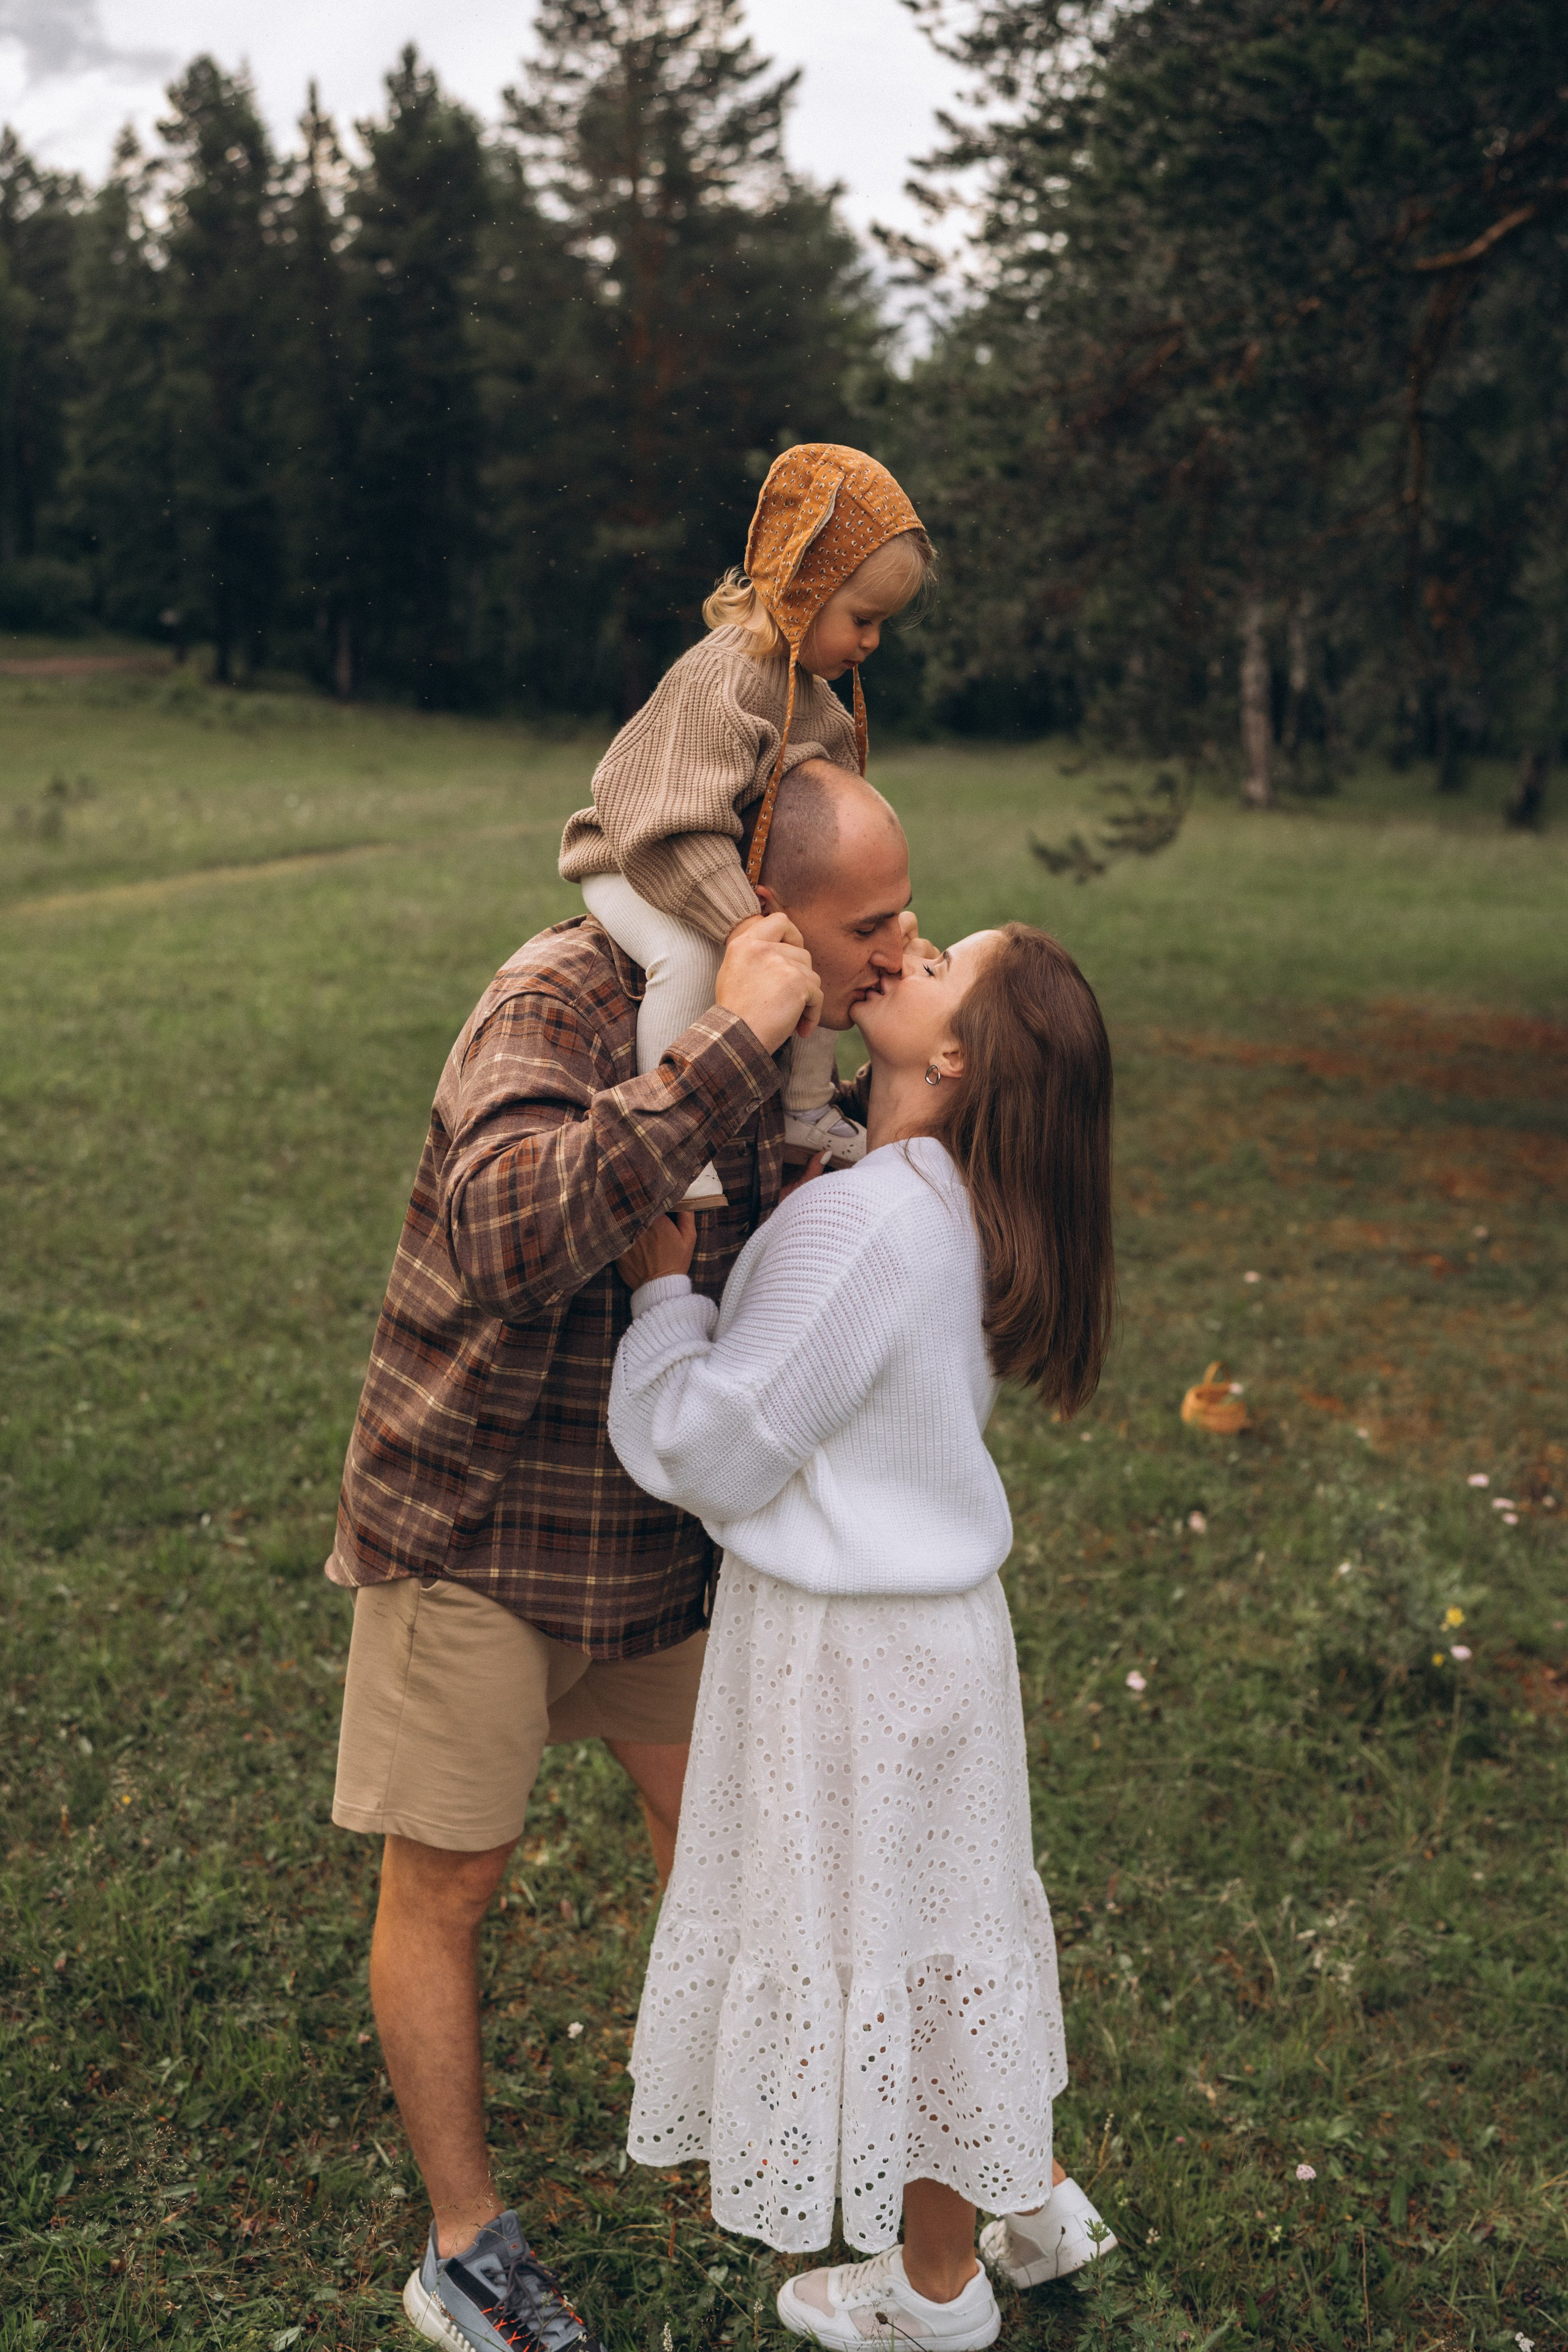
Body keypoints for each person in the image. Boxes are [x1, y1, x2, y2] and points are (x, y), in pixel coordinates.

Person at [323, 757, 920, 2352]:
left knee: (716, 1829)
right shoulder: (564, 1002)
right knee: (449, 1879)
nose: (896, 943)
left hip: (651, 1528)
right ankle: (465, 2245)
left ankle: (747, 2125)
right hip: (484, 1521)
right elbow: (510, 1233)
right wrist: (728, 1049)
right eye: (872, 921)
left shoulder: (800, 1057)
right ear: (764, 918)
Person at [607, 922, 1121, 2350]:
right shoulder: (948, 1196)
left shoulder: (864, 1221)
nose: (904, 946)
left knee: (899, 1951)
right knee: (950, 1936)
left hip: (847, 1651)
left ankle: (933, 2287)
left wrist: (662, 1291)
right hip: (942, 1635)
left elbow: (714, 1448)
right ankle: (1026, 2191)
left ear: (954, 1053)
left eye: (942, 956)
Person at [560, 442, 936, 1207]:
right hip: (639, 857)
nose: (870, 642)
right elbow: (676, 825)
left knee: (826, 962)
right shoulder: (722, 680)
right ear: (803, 588)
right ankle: (678, 1132)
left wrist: (817, 928)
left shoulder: (818, 703)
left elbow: (823, 833)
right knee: (689, 959)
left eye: (881, 625)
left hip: (729, 871)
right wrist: (742, 927)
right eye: (862, 619)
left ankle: (804, 1112)